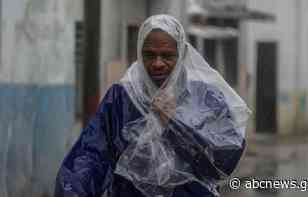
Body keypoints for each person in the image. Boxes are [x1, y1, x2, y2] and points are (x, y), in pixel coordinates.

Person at [55, 14, 251, 197]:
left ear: (181, 55)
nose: (158, 63)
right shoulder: (122, 98)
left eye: (167, 55)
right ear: (140, 54)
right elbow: (91, 155)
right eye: (149, 55)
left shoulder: (205, 98)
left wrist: (174, 126)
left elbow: (225, 160)